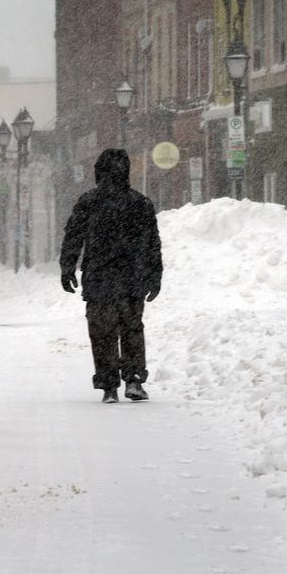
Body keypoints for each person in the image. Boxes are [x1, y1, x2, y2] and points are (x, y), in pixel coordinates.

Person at [60, 148, 163, 404]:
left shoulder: (89, 201)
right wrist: (154, 275)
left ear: (98, 173)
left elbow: (73, 236)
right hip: (132, 277)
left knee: (102, 332)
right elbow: (153, 244)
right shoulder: (140, 203)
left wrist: (68, 267)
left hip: (100, 278)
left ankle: (109, 385)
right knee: (132, 330)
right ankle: (134, 380)